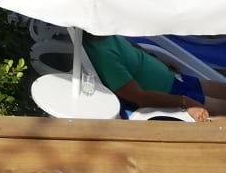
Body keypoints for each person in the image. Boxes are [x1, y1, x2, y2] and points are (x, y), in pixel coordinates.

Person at [85, 34, 226, 121]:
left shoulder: (106, 34)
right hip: (170, 95)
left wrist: (157, 61)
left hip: (174, 79)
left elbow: (132, 47)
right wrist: (185, 102)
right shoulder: (105, 57)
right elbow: (140, 98)